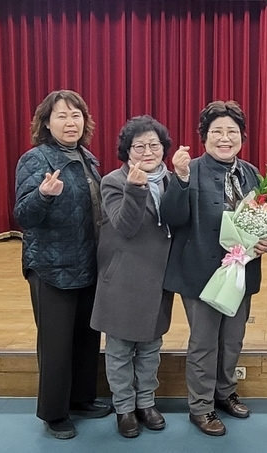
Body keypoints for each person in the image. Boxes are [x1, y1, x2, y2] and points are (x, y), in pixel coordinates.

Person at [161, 100, 267, 437]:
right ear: (204, 137)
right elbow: (173, 217)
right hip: (200, 272)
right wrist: (179, 180)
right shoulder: (189, 170)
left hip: (240, 271)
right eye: (217, 132)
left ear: (242, 136)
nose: (225, 138)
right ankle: (201, 407)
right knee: (205, 342)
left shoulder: (251, 173)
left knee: (233, 341)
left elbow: (263, 220)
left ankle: (224, 393)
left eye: (232, 132)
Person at [13, 90, 111, 440]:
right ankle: (54, 412)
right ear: (46, 122)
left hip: (88, 262)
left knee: (86, 336)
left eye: (76, 116)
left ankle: (82, 398)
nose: (70, 122)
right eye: (61, 116)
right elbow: (23, 216)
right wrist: (42, 196)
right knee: (56, 343)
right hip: (51, 266)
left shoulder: (88, 158)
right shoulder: (35, 160)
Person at [90, 116, 182, 438]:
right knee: (118, 351)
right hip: (123, 281)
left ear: (164, 148)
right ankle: (124, 408)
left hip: (158, 281)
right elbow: (125, 226)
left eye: (154, 145)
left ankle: (146, 403)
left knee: (150, 349)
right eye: (139, 146)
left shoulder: (174, 181)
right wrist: (136, 186)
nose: (147, 151)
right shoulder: (114, 181)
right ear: (127, 151)